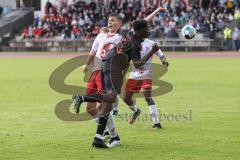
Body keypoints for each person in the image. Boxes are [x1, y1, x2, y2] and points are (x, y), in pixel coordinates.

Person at [73, 19, 161, 148]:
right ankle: (82, 98)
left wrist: (121, 76)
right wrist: (152, 51)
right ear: (140, 30)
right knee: (111, 97)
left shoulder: (129, 35)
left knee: (108, 104)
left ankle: (101, 138)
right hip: (112, 66)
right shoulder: (135, 43)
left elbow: (126, 59)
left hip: (108, 64)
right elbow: (137, 65)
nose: (149, 31)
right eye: (146, 29)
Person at [123, 38, 169, 128]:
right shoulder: (131, 43)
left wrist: (164, 61)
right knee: (126, 98)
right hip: (134, 75)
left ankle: (156, 123)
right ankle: (136, 111)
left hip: (146, 74)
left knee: (147, 97)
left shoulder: (151, 43)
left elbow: (161, 54)